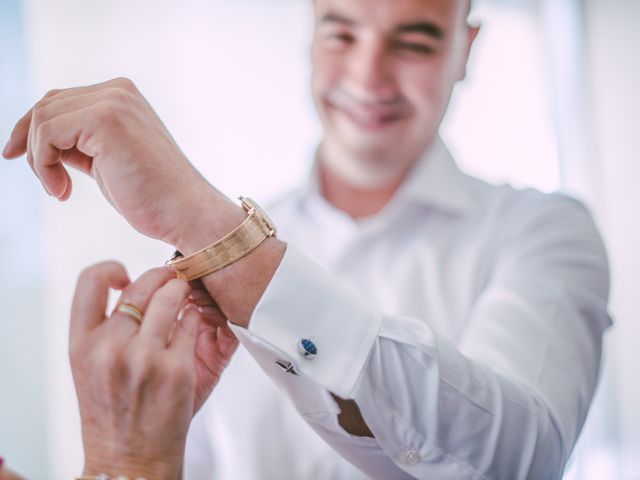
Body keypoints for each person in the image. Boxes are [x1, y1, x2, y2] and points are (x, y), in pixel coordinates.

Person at [2, 0, 610, 478]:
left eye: (415, 41)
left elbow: (524, 461)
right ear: (311, 34)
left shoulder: (543, 230)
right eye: (342, 33)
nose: (370, 77)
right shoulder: (186, 266)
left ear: (465, 48)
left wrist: (215, 229)